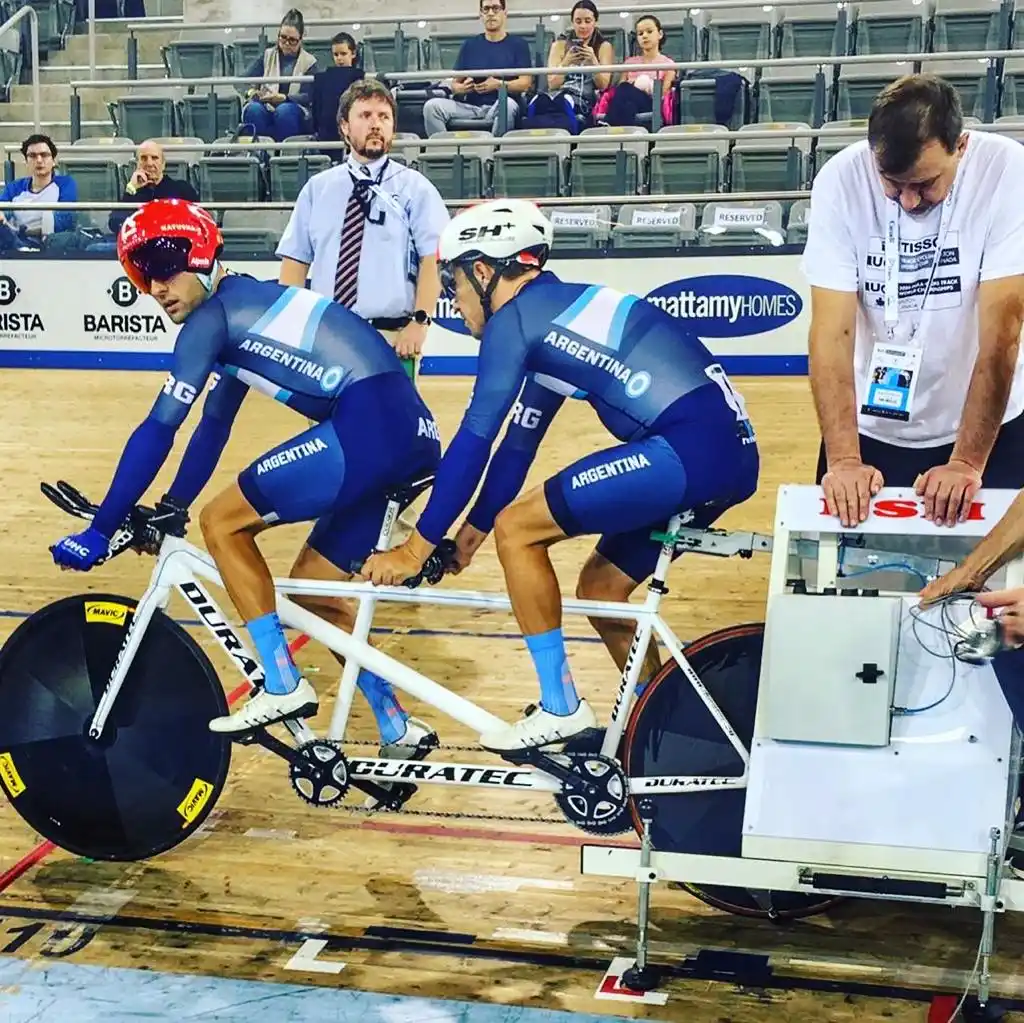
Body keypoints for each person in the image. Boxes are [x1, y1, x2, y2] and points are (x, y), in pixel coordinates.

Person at [362, 199, 759, 750]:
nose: (454, 302)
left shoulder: (515, 321)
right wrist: (469, 537)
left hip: (688, 447)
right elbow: (516, 446)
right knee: (601, 587)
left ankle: (560, 706)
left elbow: (476, 438)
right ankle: (660, 727)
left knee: (521, 529)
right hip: (727, 453)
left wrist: (413, 550)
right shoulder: (556, 314)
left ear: (484, 271)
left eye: (453, 283)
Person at [50, 199, 441, 758]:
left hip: (369, 426)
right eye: (143, 276)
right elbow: (213, 425)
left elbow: (161, 427)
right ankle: (396, 725)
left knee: (224, 522)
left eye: (165, 268)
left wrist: (102, 527)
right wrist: (170, 505)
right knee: (314, 590)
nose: (156, 287)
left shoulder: (212, 321)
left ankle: (281, 684)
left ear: (202, 252)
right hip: (409, 431)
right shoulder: (242, 306)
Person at [802, 73, 1024, 530]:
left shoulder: (1008, 172)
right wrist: (844, 459)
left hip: (994, 427)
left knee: (994, 582)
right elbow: (831, 332)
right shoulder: (840, 180)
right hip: (873, 426)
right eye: (890, 181)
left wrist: (966, 461)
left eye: (923, 184)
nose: (906, 199)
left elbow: (1003, 332)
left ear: (960, 146)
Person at [278, 79, 449, 381]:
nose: (375, 124)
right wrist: (292, 325)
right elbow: (295, 261)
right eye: (365, 115)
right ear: (344, 126)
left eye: (384, 117)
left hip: (391, 339)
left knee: (390, 428)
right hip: (325, 338)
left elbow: (432, 258)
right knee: (328, 427)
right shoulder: (317, 190)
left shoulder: (416, 189)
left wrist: (420, 322)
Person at [422, 0, 533, 137]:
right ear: (481, 14)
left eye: (496, 8)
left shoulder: (518, 45)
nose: (491, 13)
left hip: (501, 104)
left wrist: (499, 85)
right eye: (486, 9)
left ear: (505, 13)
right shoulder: (470, 45)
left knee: (507, 105)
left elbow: (525, 83)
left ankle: (493, 154)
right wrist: (461, 88)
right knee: (432, 107)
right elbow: (455, 84)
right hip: (471, 106)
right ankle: (443, 150)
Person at [242, 9, 318, 142]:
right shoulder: (267, 55)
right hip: (266, 105)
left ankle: (285, 157)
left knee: (284, 111)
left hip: (295, 108)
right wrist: (252, 92)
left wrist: (285, 98)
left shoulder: (309, 62)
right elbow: (242, 81)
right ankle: (260, 155)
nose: (287, 43)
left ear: (301, 40)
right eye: (283, 38)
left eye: (292, 40)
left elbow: (309, 96)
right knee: (253, 109)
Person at [541, 0, 615, 129]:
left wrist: (593, 61)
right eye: (578, 21)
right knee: (540, 102)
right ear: (572, 23)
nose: (583, 26)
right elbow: (552, 84)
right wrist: (566, 62)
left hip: (583, 102)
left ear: (595, 22)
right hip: (557, 96)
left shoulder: (604, 47)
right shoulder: (559, 45)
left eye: (588, 21)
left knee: (561, 104)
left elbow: (603, 85)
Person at [0, 134, 77, 249]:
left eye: (44, 155)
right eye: (33, 156)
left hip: (51, 245)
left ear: (53, 161)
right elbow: (3, 213)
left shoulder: (66, 184)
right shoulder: (14, 187)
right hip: (13, 242)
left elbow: (64, 220)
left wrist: (23, 230)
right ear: (26, 162)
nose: (39, 160)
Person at [108, 138, 199, 234]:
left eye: (154, 158)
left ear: (163, 164)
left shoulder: (182, 188)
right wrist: (131, 188)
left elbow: (200, 220)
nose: (149, 163)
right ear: (137, 164)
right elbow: (114, 223)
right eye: (144, 158)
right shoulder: (133, 192)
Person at [598, 15, 674, 127]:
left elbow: (663, 95)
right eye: (640, 33)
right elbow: (619, 90)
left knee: (625, 88)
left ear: (660, 34)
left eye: (649, 31)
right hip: (628, 102)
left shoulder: (668, 64)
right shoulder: (629, 63)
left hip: (651, 102)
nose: (645, 36)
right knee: (628, 104)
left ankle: (610, 123)